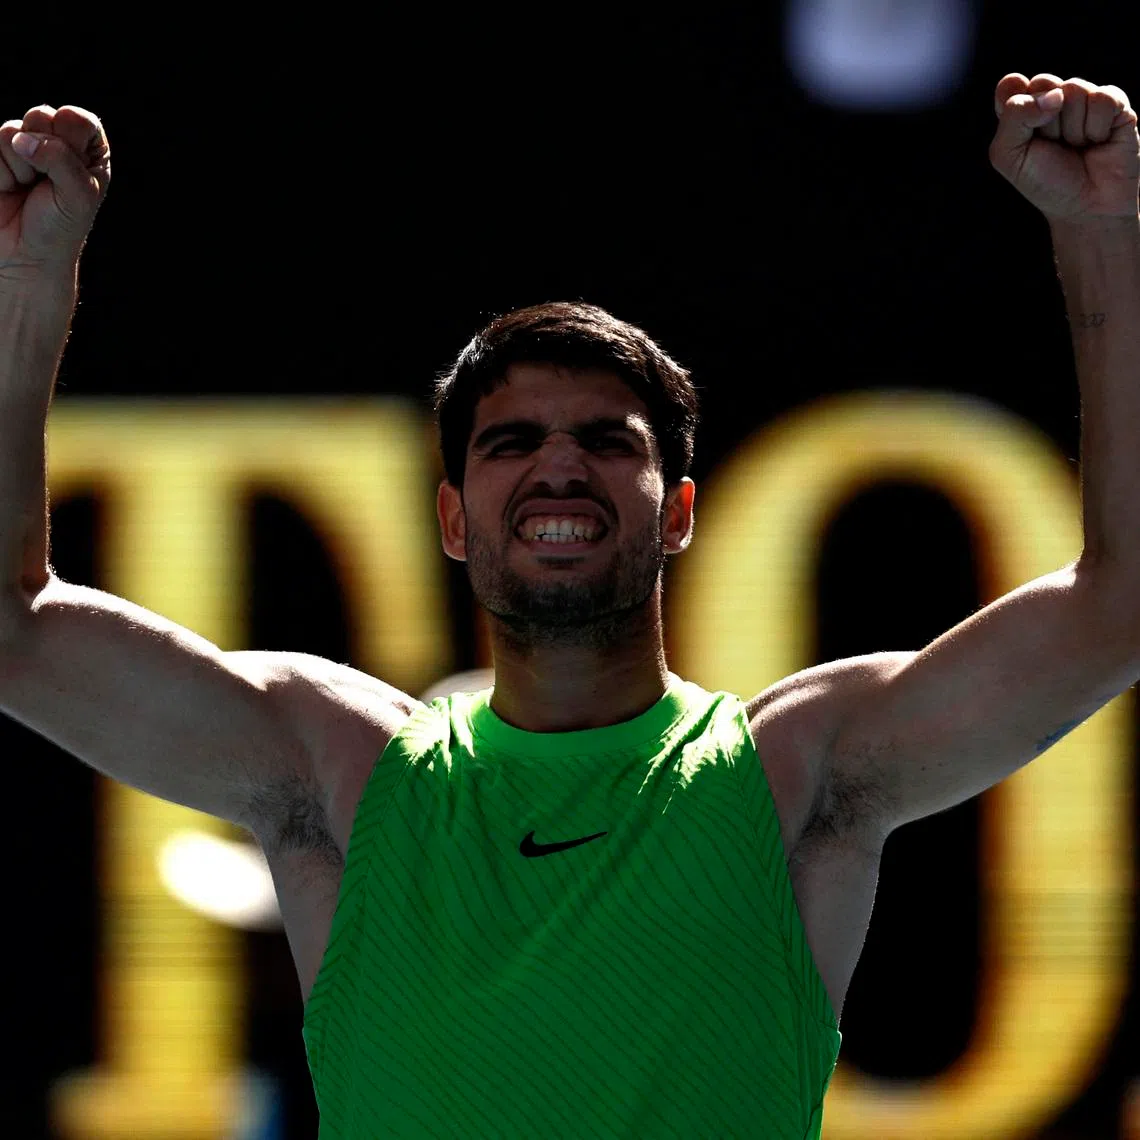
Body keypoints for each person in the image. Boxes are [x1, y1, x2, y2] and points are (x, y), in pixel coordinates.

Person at [0, 71, 1137, 1140]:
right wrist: (25, 286)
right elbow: (14, 634)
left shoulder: (792, 775)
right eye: (511, 444)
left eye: (605, 440)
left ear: (679, 509)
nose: (558, 467)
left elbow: (1119, 608)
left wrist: (1103, 237)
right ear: (453, 518)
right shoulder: (345, 774)